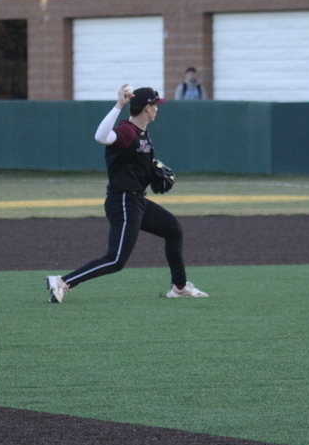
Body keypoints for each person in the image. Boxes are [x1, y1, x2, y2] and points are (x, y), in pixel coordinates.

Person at [45, 85, 208, 303]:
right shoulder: (127, 131)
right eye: (155, 105)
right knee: (116, 260)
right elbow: (101, 136)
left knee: (173, 229)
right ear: (147, 108)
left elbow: (138, 167)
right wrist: (118, 105)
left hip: (136, 200)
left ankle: (179, 287)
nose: (158, 109)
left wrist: (155, 174)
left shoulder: (142, 135)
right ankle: (63, 282)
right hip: (123, 200)